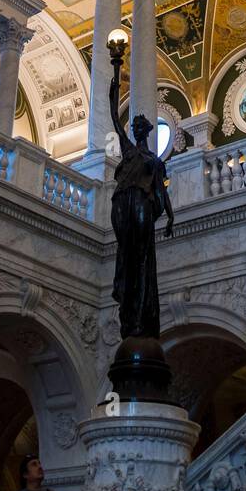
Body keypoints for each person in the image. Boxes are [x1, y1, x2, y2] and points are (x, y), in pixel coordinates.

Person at [108, 62, 175, 340]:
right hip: (123, 203)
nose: (134, 129)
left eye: (138, 126)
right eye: (133, 126)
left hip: (141, 204)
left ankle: (139, 314)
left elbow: (161, 191)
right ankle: (128, 308)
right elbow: (115, 118)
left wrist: (170, 217)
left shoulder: (154, 161)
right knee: (127, 255)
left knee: (141, 258)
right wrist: (115, 77)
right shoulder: (128, 150)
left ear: (146, 130)